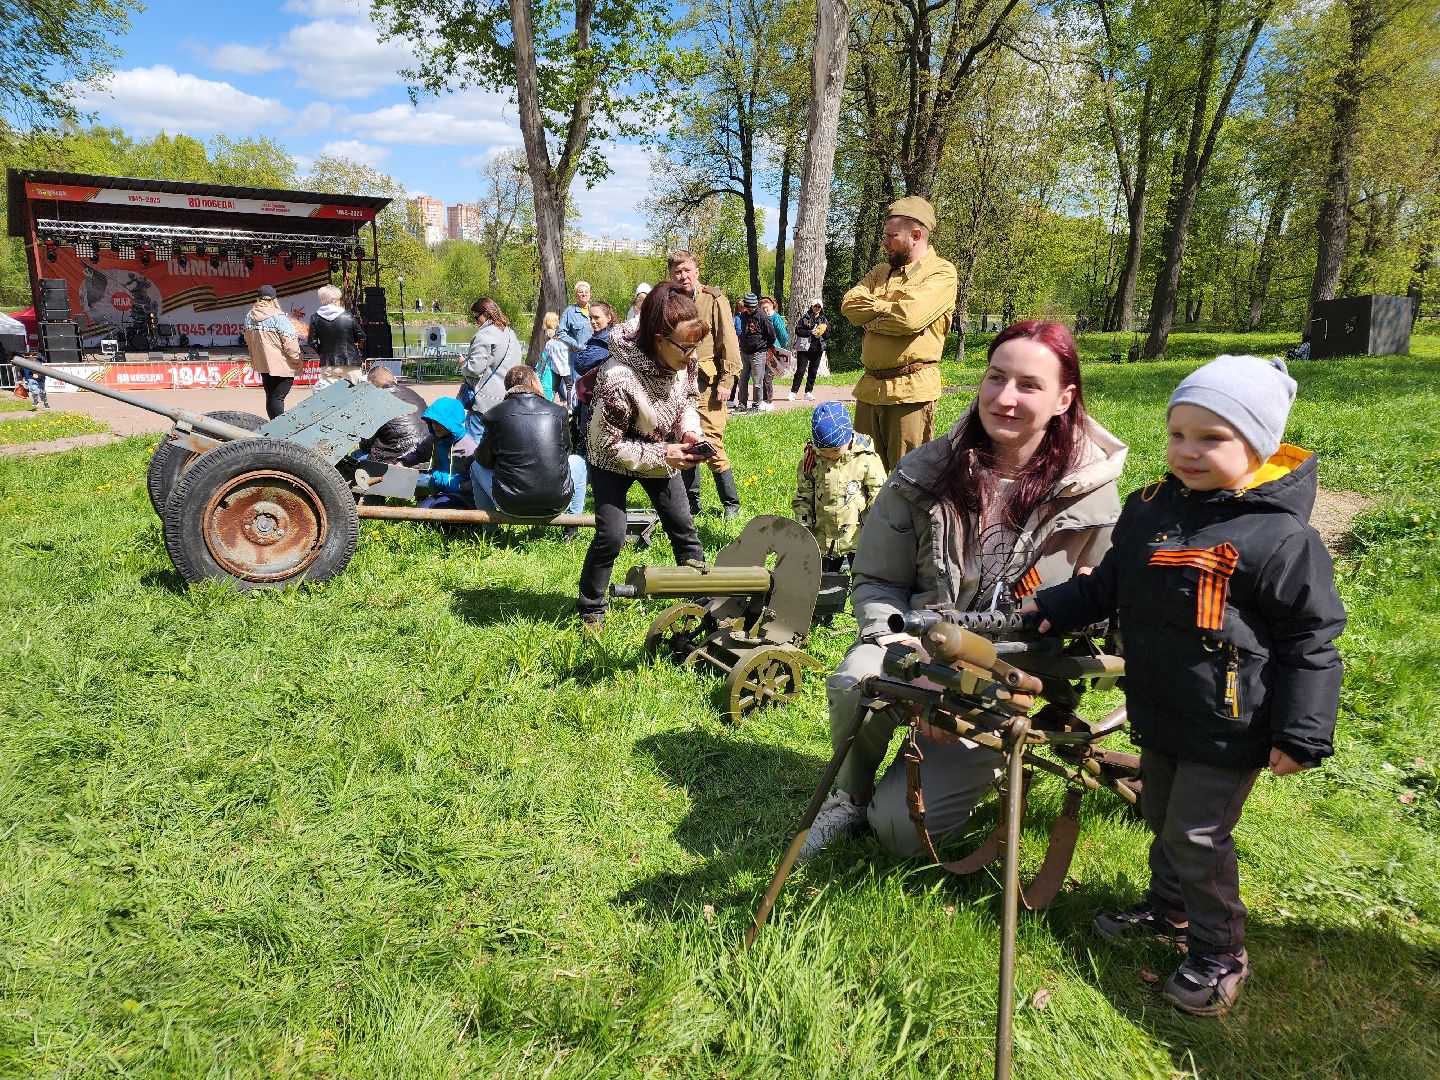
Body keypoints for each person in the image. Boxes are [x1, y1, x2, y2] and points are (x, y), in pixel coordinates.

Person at [1032, 354, 1345, 1017]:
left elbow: (1310, 639)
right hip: (1160, 707)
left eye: (1213, 437)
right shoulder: (1150, 509)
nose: (1188, 451)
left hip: (1229, 723)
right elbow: (1110, 585)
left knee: (1198, 837)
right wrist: (1051, 608)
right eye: (1178, 434)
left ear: (1257, 443)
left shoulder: (1280, 538)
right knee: (1162, 817)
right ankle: (1168, 910)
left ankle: (1218, 951)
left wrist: (1302, 731)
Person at [801, 320, 1128, 861]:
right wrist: (895, 640)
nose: (1004, 398)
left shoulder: (1095, 500)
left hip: (1019, 672)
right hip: (920, 644)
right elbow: (879, 578)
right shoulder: (924, 473)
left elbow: (1097, 610)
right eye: (996, 378)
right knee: (854, 679)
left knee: (902, 834)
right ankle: (851, 793)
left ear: (1064, 398)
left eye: (1029, 385)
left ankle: (964, 765)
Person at [577, 281, 709, 631]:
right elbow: (609, 446)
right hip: (611, 455)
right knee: (612, 534)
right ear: (658, 339)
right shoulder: (617, 377)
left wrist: (689, 432)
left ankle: (702, 601)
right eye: (685, 347)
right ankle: (592, 609)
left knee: (683, 528)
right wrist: (666, 452)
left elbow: (688, 402)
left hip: (662, 449)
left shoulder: (685, 357)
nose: (693, 355)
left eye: (697, 345)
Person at [841, 195, 958, 471]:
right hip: (870, 391)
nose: (885, 241)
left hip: (910, 392)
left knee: (906, 477)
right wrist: (886, 310)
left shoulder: (941, 273)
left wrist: (871, 317)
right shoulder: (881, 272)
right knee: (861, 475)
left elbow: (909, 318)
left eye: (892, 236)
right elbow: (850, 306)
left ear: (916, 235)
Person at [669, 250, 743, 519]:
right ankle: (692, 505)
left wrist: (727, 380)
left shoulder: (713, 300)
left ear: (696, 271)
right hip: (678, 384)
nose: (683, 276)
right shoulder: (669, 301)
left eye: (687, 270)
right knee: (685, 442)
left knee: (711, 444)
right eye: (677, 272)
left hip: (709, 384)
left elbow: (729, 342)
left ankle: (731, 504)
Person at [472, 365, 586, 521]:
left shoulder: (493, 415)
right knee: (579, 461)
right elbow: (566, 452)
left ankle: (489, 530)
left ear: (508, 388)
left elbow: (483, 460)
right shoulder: (558, 412)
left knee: (475, 466)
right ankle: (573, 525)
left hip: (509, 503)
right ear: (533, 383)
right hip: (557, 501)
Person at [792, 402, 886, 571]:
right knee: (823, 586)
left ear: (848, 437)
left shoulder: (866, 459)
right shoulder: (812, 459)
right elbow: (803, 495)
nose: (829, 455)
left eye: (835, 450)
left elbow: (879, 495)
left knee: (864, 582)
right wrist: (803, 527)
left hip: (857, 539)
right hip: (822, 539)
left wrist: (880, 529)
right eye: (823, 450)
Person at [459, 297, 523, 441]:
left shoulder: (484, 335)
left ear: (486, 314)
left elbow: (475, 368)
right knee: (497, 445)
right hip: (505, 399)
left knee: (472, 446)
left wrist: (463, 364)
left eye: (477, 317)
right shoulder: (510, 334)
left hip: (484, 401)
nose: (476, 322)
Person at [243, 284, 303, 418]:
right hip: (281, 364)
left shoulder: (249, 316)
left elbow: (247, 340)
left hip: (263, 364)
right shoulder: (279, 317)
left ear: (258, 299)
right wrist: (297, 359)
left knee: (271, 396)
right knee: (278, 397)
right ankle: (278, 430)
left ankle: (273, 426)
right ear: (274, 299)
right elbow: (290, 343)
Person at [362, 365, 432, 467]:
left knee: (357, 456)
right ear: (394, 379)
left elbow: (365, 443)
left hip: (397, 459)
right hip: (426, 452)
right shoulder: (413, 394)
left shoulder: (374, 401)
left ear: (371, 383)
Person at [417, 396, 478, 509]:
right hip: (441, 492)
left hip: (464, 496)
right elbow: (418, 453)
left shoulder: (469, 449)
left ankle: (468, 523)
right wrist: (402, 461)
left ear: (452, 423)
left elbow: (479, 482)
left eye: (440, 423)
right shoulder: (435, 439)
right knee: (420, 512)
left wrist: (459, 486)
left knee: (439, 508)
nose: (435, 426)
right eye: (433, 422)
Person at [307, 284, 366, 372]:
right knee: (354, 386)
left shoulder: (315, 318)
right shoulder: (348, 316)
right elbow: (361, 337)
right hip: (350, 363)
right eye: (339, 299)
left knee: (329, 386)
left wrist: (323, 353)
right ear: (334, 301)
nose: (340, 302)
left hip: (327, 364)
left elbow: (312, 342)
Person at [735, 292, 777, 412]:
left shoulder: (763, 317)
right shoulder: (743, 316)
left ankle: (756, 405)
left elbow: (771, 335)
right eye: (747, 307)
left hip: (758, 353)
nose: (749, 309)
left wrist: (765, 348)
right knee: (742, 380)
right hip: (744, 352)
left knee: (757, 381)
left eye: (751, 307)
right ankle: (742, 404)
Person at [790, 299, 829, 401]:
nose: (817, 308)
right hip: (804, 348)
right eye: (815, 306)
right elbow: (798, 330)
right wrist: (810, 332)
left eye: (819, 307)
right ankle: (793, 392)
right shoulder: (805, 317)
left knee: (813, 371)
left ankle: (808, 392)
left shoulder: (824, 320)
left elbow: (828, 334)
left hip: (818, 348)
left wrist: (821, 333)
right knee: (800, 371)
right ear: (811, 306)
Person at [760, 296, 790, 406]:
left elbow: (782, 334)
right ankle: (763, 400)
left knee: (768, 375)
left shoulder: (776, 318)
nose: (765, 310)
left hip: (774, 350)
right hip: (763, 350)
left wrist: (782, 349)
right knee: (762, 375)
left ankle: (768, 401)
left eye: (766, 307)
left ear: (772, 306)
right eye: (762, 308)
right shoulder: (760, 318)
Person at [557, 280, 593, 367]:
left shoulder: (595, 310)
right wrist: (577, 346)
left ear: (590, 294)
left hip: (595, 355)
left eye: (586, 292)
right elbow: (561, 332)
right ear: (576, 295)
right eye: (581, 292)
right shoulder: (569, 311)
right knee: (578, 381)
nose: (584, 294)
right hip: (578, 357)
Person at [541, 312, 571, 405]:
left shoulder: (549, 340)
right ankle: (570, 405)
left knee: (555, 386)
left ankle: (553, 403)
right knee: (569, 386)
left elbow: (545, 356)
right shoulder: (561, 334)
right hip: (566, 366)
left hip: (556, 367)